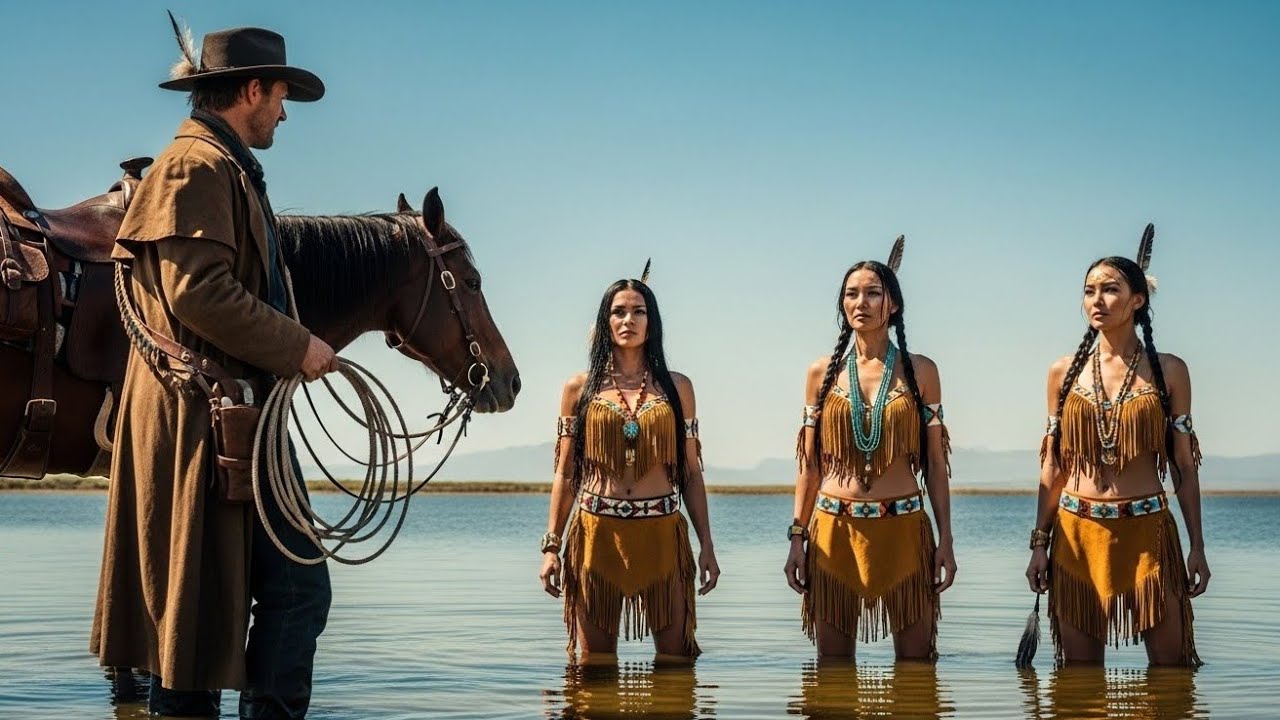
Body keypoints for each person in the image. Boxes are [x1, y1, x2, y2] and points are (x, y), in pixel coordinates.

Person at [91, 18, 341, 718]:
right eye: (281, 96)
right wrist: (298, 345)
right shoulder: (195, 167)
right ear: (252, 90)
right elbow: (198, 292)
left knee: (209, 605)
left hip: (229, 419)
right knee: (265, 594)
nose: (285, 113)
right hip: (203, 422)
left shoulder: (220, 166)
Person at [1025, 225, 1207, 666]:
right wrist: (1039, 543)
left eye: (1110, 290)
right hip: (1077, 534)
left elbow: (1183, 466)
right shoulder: (1063, 372)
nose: (1097, 300)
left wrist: (1197, 546)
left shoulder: (1169, 371)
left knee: (1171, 673)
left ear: (1138, 299)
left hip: (1149, 535)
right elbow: (1054, 467)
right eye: (1089, 291)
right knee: (1079, 679)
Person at [783, 238, 956, 660]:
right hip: (834, 531)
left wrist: (946, 539)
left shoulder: (921, 371)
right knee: (832, 669)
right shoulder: (821, 373)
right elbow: (809, 466)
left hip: (903, 530)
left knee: (916, 667)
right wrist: (797, 537)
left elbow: (935, 464)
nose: (861, 302)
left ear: (893, 304)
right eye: (851, 294)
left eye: (873, 293)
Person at [538, 266, 720, 661]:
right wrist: (552, 545)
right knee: (594, 668)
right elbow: (566, 473)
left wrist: (706, 544)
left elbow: (690, 473)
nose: (628, 320)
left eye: (639, 312)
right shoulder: (579, 388)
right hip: (597, 536)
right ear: (605, 322)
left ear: (652, 323)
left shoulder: (677, 387)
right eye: (618, 312)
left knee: (677, 664)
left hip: (662, 536)